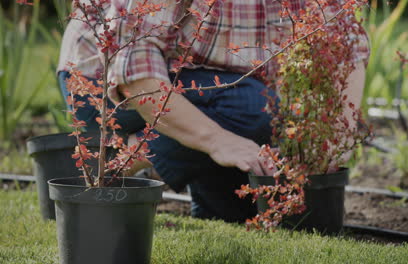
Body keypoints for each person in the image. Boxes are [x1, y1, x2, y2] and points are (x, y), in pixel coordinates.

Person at [57, 0, 369, 222]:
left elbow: (346, 43)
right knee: (256, 109)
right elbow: (134, 71)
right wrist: (218, 141)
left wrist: (335, 137)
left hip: (213, 82)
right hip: (102, 83)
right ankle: (123, 157)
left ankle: (188, 171)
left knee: (237, 212)